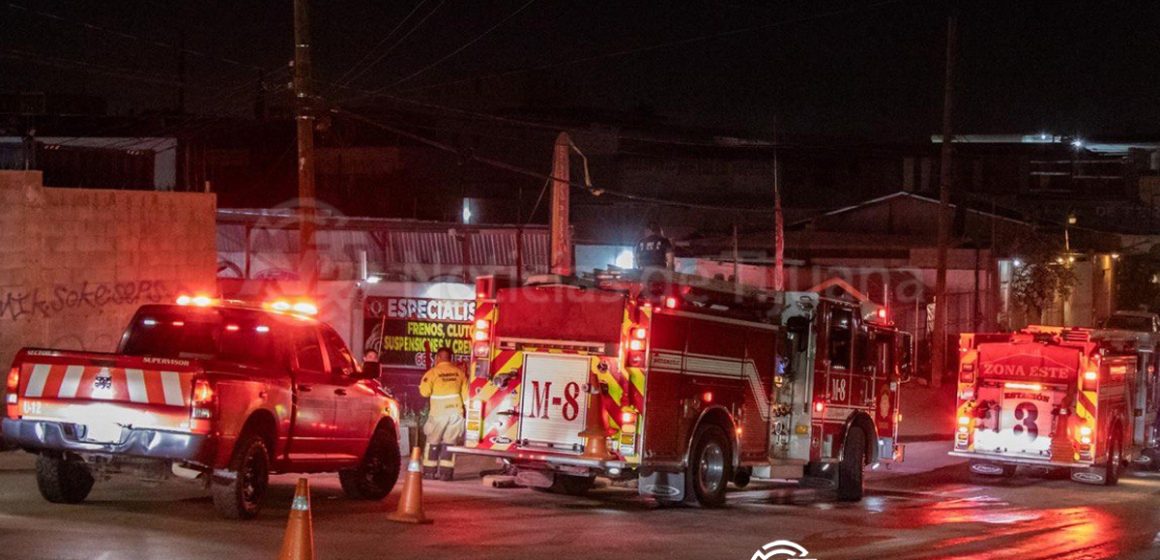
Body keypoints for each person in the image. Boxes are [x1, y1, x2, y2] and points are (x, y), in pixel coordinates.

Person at [418, 347, 468, 481]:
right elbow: (467, 397)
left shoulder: (432, 373)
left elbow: (424, 392)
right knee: (450, 443)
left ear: (438, 358)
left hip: (438, 413)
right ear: (450, 359)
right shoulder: (460, 373)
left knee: (432, 442)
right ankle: (446, 473)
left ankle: (429, 472)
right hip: (456, 413)